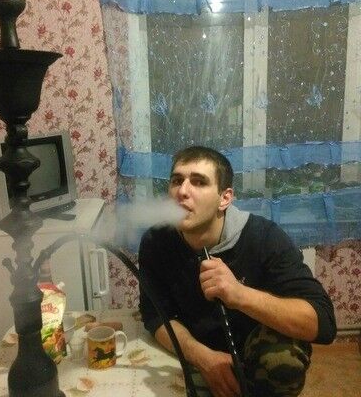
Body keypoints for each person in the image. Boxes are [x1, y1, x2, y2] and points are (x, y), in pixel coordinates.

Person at [138, 146, 336, 397]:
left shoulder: (264, 238)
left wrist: (239, 294)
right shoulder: (156, 241)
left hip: (253, 352)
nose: (182, 191)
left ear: (225, 198)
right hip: (195, 349)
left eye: (199, 182)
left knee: (282, 361)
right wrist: (203, 358)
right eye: (177, 181)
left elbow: (324, 324)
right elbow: (155, 314)